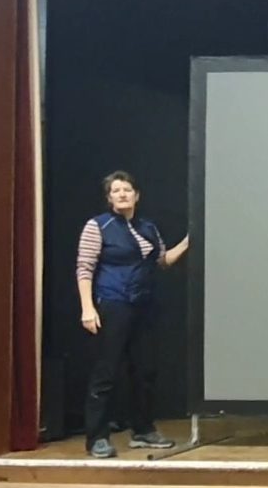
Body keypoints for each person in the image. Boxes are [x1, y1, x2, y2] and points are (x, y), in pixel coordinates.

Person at [76, 170, 190, 458]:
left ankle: (143, 430)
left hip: (144, 305)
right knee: (106, 372)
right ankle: (97, 437)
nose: (122, 194)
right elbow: (84, 268)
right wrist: (87, 308)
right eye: (116, 190)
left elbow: (162, 261)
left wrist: (190, 240)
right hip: (113, 303)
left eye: (127, 189)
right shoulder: (98, 226)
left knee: (145, 370)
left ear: (136, 195)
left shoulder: (148, 227)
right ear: (109, 197)